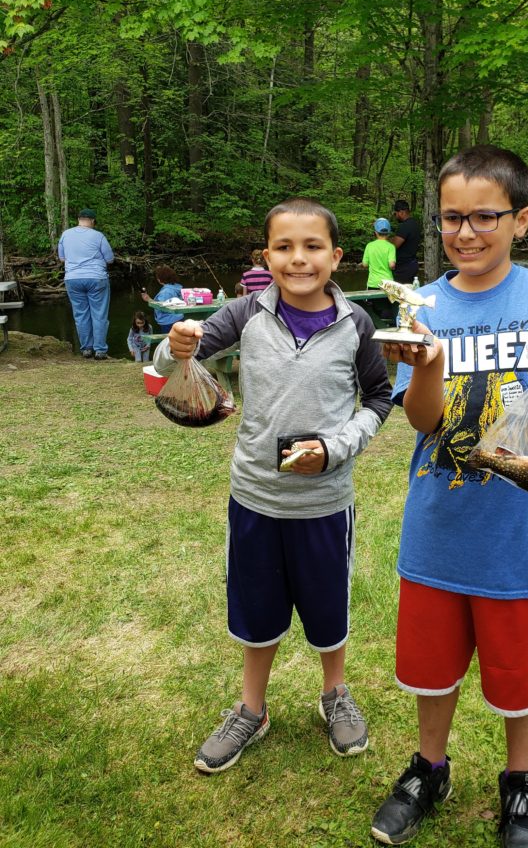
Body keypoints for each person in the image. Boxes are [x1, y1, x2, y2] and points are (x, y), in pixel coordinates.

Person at [370, 146, 528, 848]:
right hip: (438, 524)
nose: (465, 233)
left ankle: (520, 784)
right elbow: (420, 421)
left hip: (519, 532)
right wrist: (427, 365)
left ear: (521, 218)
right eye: (450, 219)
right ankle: (428, 767)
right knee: (431, 665)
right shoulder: (425, 306)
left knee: (513, 668)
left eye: (484, 217)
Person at [152, 197, 392, 774]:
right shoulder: (242, 314)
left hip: (325, 503)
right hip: (255, 497)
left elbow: (381, 399)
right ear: (267, 255)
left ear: (337, 257)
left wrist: (335, 449)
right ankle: (251, 709)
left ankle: (334, 692)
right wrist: (175, 345)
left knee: (328, 607)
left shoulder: (356, 324)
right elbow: (165, 365)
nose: (298, 259)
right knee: (258, 610)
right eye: (284, 247)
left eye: (313, 247)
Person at [57, 208, 114, 360]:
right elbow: (110, 259)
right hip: (96, 278)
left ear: (78, 219)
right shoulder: (98, 236)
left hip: (72, 279)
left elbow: (62, 258)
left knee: (81, 315)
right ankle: (100, 350)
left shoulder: (65, 234)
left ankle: (86, 349)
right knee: (99, 314)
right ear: (93, 221)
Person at [141, 265, 184, 333]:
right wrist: (149, 299)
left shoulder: (165, 292)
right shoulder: (177, 287)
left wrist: (149, 300)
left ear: (160, 279)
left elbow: (161, 307)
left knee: (168, 341)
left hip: (168, 322)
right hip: (179, 318)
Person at [391, 199, 421, 284]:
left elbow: (394, 246)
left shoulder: (404, 226)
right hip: (412, 264)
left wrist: (383, 240)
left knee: (400, 293)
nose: (395, 216)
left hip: (403, 267)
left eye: (395, 214)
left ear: (401, 212)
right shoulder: (415, 224)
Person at [362, 218, 396, 290]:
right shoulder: (391, 247)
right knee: (387, 301)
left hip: (373, 283)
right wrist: (393, 267)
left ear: (376, 232)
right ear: (388, 233)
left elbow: (365, 264)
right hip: (388, 283)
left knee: (372, 301)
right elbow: (391, 265)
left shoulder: (369, 245)